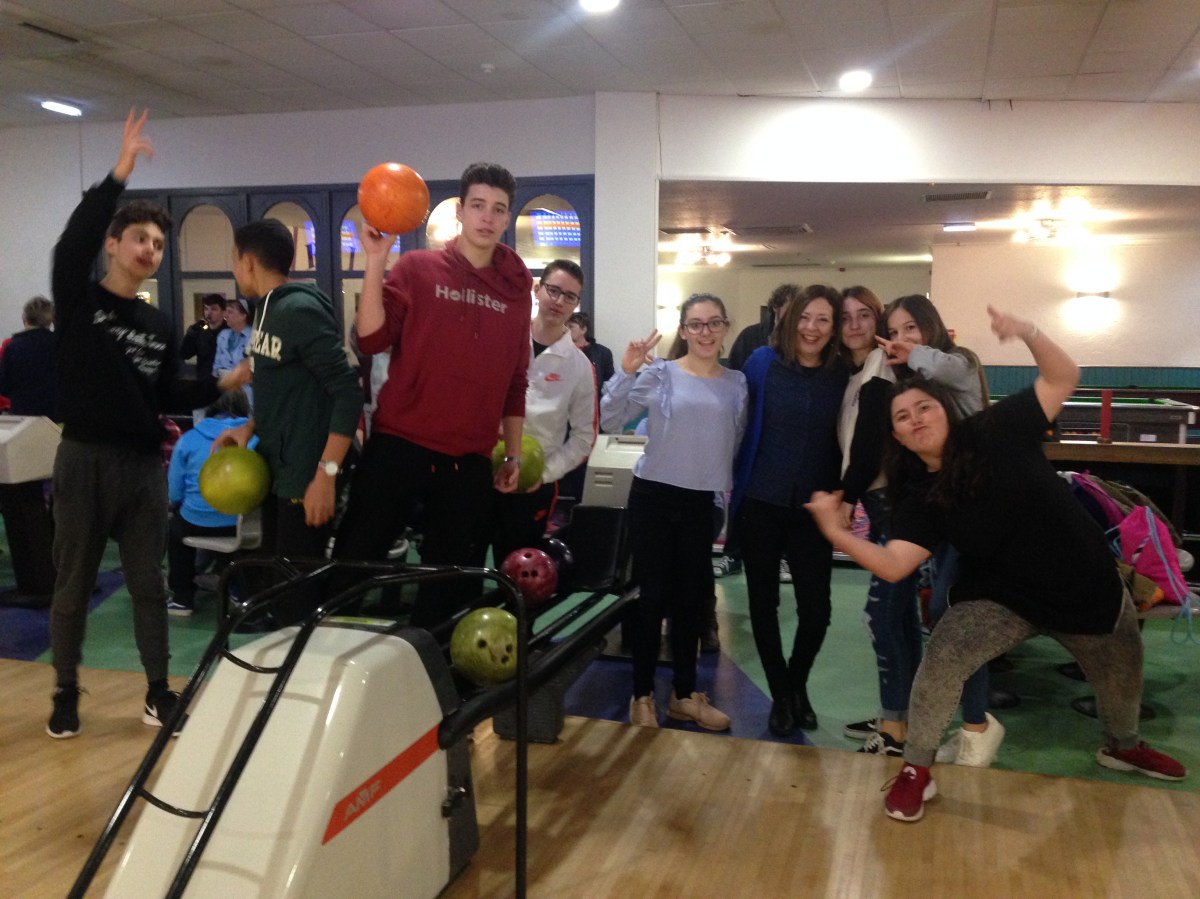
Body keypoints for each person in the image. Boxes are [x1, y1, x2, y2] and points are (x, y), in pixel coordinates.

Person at [806, 306, 1187, 823]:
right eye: (902, 417)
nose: (916, 419)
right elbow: (895, 564)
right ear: (897, 436)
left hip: (1084, 583)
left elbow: (1063, 377)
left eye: (924, 408)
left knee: (1123, 670)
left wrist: (1028, 331)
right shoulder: (919, 495)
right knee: (943, 658)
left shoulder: (997, 428)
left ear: (945, 411)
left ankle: (1123, 746)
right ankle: (917, 768)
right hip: (1000, 597)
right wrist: (835, 533)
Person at [46, 109, 213, 739]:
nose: (150, 250)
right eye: (139, 238)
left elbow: (168, 392)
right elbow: (72, 243)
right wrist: (118, 173)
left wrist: (224, 383)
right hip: (83, 458)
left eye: (159, 244)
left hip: (142, 467)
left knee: (149, 583)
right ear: (112, 245)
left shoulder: (159, 324)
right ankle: (65, 692)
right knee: (73, 585)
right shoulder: (79, 298)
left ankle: (157, 693)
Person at [333, 163, 532, 627]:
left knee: (450, 589)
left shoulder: (516, 292)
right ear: (460, 211)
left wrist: (513, 454)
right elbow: (371, 340)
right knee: (352, 565)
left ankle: (430, 661)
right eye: (478, 205)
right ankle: (322, 652)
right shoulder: (417, 268)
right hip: (399, 444)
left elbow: (516, 380)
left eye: (498, 209)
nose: (487, 217)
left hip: (469, 459)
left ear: (507, 218)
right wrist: (376, 260)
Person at [601, 293, 747, 730]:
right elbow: (610, 419)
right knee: (651, 599)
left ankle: (684, 695)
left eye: (714, 322)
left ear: (725, 327)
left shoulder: (736, 383)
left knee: (691, 602)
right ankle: (642, 696)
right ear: (683, 330)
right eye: (696, 324)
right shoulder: (661, 374)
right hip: (654, 496)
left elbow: (735, 440)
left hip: (700, 502)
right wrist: (626, 371)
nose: (706, 332)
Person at [879, 293, 1006, 767]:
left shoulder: (958, 364)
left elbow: (945, 369)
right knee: (950, 617)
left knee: (956, 618)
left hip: (981, 515)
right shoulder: (917, 383)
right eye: (894, 332)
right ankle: (973, 727)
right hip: (947, 515)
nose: (901, 339)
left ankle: (977, 730)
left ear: (930, 326)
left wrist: (910, 353)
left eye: (910, 328)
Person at [213, 218, 361, 624]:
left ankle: (306, 661)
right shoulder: (265, 309)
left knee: (298, 598)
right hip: (279, 469)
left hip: (307, 474)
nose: (233, 269)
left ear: (247, 261)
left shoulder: (298, 310)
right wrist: (247, 428)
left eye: (233, 260)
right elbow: (282, 387)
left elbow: (347, 392)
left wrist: (326, 475)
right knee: (278, 588)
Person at [732, 284, 847, 736]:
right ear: (790, 317)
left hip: (814, 509)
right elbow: (734, 416)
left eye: (823, 319)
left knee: (817, 611)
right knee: (764, 605)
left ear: (834, 327)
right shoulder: (762, 363)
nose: (811, 328)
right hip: (760, 501)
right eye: (805, 317)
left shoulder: (840, 372)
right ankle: (782, 694)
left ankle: (795, 683)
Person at [835, 286, 916, 756]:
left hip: (891, 502)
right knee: (900, 617)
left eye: (864, 315)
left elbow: (867, 444)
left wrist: (847, 496)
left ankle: (894, 731)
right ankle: (901, 716)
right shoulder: (859, 371)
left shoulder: (881, 367)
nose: (854, 325)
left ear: (878, 320)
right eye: (845, 317)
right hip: (884, 500)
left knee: (882, 617)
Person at [492, 260, 597, 564]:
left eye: (570, 296)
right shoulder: (501, 339)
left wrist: (544, 473)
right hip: (480, 469)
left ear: (576, 304)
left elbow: (584, 437)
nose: (559, 301)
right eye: (553, 290)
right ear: (537, 290)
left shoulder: (580, 367)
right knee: (464, 563)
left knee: (518, 570)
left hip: (532, 485)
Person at [714, 283, 802, 580]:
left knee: (787, 503)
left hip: (788, 441)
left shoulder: (805, 346)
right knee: (742, 498)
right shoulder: (751, 338)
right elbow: (734, 381)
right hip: (752, 434)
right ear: (776, 311)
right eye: (787, 313)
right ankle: (732, 554)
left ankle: (784, 557)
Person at [165, 389, 256, 617]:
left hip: (196, 521)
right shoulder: (255, 439)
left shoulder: (189, 438)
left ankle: (182, 598)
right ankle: (239, 591)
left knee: (175, 530)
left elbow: (174, 493)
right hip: (243, 524)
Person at [0, 295, 57, 419]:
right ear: (50, 320)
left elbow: (3, 387)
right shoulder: (59, 344)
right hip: (54, 413)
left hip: (22, 413)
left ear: (25, 319)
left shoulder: (12, 347)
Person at [213, 296, 254, 411]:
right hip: (225, 392)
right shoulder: (223, 335)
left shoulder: (255, 337)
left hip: (248, 396)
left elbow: (254, 370)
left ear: (243, 315)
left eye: (230, 312)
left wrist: (235, 375)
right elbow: (216, 366)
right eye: (226, 311)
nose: (225, 315)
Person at [180, 293, 226, 383]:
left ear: (223, 312)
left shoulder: (229, 331)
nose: (209, 313)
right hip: (204, 381)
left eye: (214, 309)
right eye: (206, 309)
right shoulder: (200, 331)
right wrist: (191, 334)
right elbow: (184, 354)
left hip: (224, 382)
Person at [567, 310, 614, 388]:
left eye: (571, 327)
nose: (566, 330)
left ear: (583, 330)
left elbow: (610, 383)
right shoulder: (561, 351)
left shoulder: (603, 353)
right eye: (566, 327)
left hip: (595, 394)